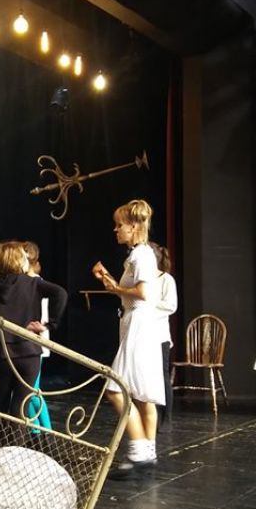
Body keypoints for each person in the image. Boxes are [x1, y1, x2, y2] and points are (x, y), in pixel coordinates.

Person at [92, 199, 164, 473]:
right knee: (142, 393)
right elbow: (130, 292)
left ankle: (139, 449)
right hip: (137, 323)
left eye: (119, 225)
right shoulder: (138, 255)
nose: (116, 230)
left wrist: (116, 289)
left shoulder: (141, 255)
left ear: (133, 227)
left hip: (139, 325)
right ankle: (148, 451)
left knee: (115, 390)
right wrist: (109, 282)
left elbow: (143, 293)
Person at [0, 241, 67, 420]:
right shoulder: (32, 283)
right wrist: (49, 324)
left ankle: (0, 439)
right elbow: (60, 293)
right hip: (28, 353)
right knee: (21, 407)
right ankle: (18, 439)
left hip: (2, 353)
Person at [21, 240, 55, 431]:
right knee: (27, 390)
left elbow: (40, 316)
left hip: (35, 342)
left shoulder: (36, 283)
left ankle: (46, 431)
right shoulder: (24, 282)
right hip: (25, 343)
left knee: (31, 391)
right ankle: (36, 430)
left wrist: (41, 328)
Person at [150, 242, 178, 431]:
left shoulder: (166, 279)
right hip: (141, 335)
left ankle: (166, 418)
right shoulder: (141, 280)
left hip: (159, 335)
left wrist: (148, 304)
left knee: (162, 375)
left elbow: (170, 305)